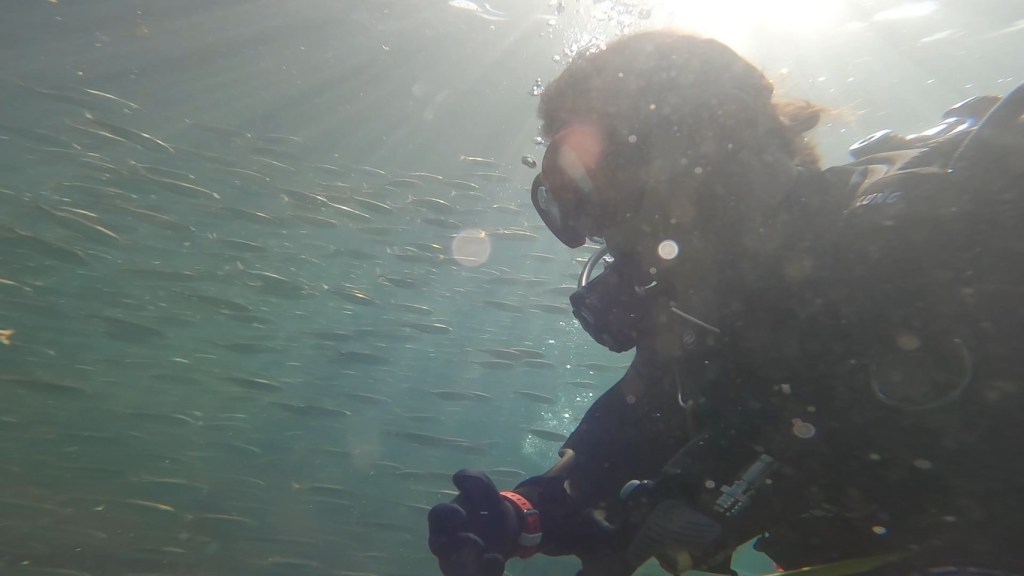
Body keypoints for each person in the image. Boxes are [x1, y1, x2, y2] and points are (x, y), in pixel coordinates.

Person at [427, 29, 1024, 576]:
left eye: (608, 176)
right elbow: (640, 419)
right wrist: (530, 509)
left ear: (723, 147)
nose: (598, 228)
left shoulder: (947, 240)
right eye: (571, 194)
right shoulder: (706, 322)